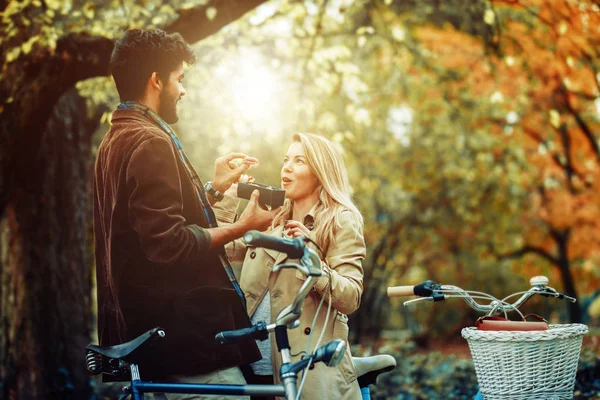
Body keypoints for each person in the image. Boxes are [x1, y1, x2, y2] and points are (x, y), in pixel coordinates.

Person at [93, 28, 278, 399]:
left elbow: (150, 228)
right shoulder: (151, 141)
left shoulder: (115, 140)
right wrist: (243, 226)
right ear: (156, 80)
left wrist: (214, 189)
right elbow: (170, 245)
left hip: (150, 336)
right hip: (184, 340)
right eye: (180, 79)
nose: (183, 90)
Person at [215, 133, 365, 399]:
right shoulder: (270, 218)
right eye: (286, 160)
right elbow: (219, 249)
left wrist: (311, 262)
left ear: (320, 171)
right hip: (252, 363)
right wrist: (227, 195)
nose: (286, 167)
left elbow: (351, 297)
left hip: (306, 367)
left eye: (299, 161)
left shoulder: (341, 219)